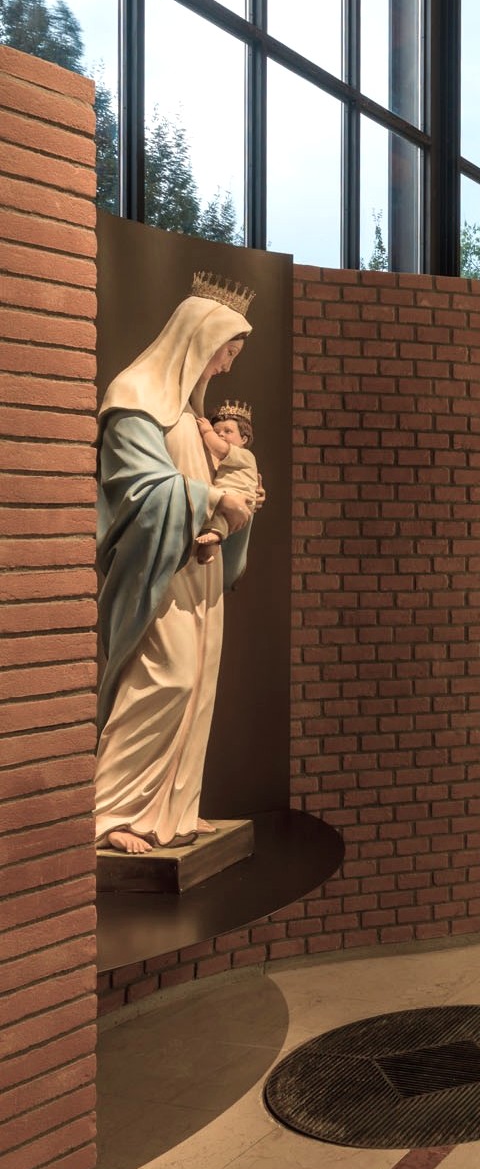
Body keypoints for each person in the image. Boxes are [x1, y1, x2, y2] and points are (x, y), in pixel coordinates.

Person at [94, 274, 260, 853]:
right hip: (157, 567)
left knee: (199, 685)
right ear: (198, 340)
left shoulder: (189, 416)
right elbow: (135, 489)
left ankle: (173, 809)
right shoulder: (134, 397)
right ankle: (111, 811)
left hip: (197, 564)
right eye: (226, 352)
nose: (226, 367)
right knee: (167, 676)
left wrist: (235, 505)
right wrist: (214, 499)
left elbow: (210, 478)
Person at [194, 400, 258, 565]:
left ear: (243, 439)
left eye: (227, 431)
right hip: (230, 497)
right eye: (217, 431)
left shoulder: (244, 455)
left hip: (238, 496)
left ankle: (214, 538)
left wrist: (208, 431)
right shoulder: (225, 461)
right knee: (218, 524)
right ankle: (209, 551)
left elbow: (220, 448)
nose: (221, 435)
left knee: (218, 520)